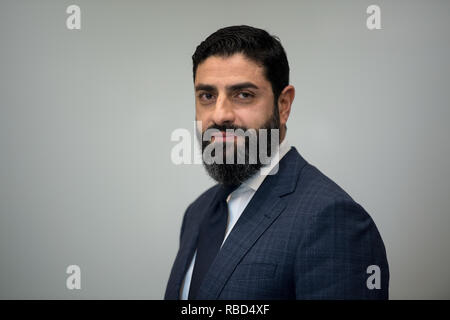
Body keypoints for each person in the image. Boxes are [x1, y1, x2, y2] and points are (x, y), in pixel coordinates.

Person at [165, 25, 389, 300]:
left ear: (283, 105)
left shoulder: (331, 218)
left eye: (243, 95)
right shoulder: (197, 213)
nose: (220, 115)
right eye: (207, 96)